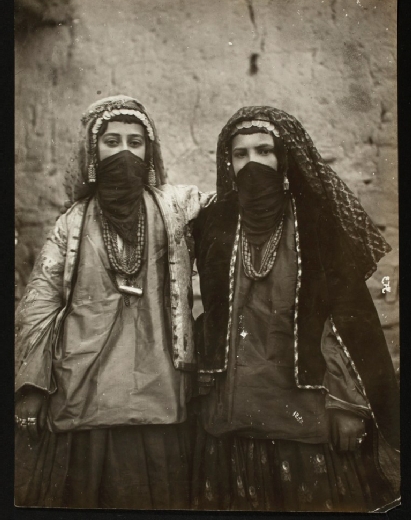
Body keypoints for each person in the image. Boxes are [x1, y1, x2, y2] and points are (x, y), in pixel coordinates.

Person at [192, 106, 400, 512]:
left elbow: (348, 320)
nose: (252, 163)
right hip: (233, 417)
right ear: (228, 163)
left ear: (284, 158)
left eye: (264, 151)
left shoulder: (316, 222)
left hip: (307, 416)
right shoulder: (213, 224)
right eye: (240, 154)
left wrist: (348, 406)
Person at [14, 95, 212, 509]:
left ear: (149, 151)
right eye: (112, 141)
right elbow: (40, 305)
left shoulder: (177, 208)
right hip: (84, 382)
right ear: (92, 151)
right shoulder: (72, 221)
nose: (124, 151)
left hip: (158, 382)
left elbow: (235, 213)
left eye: (135, 142)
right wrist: (32, 384)